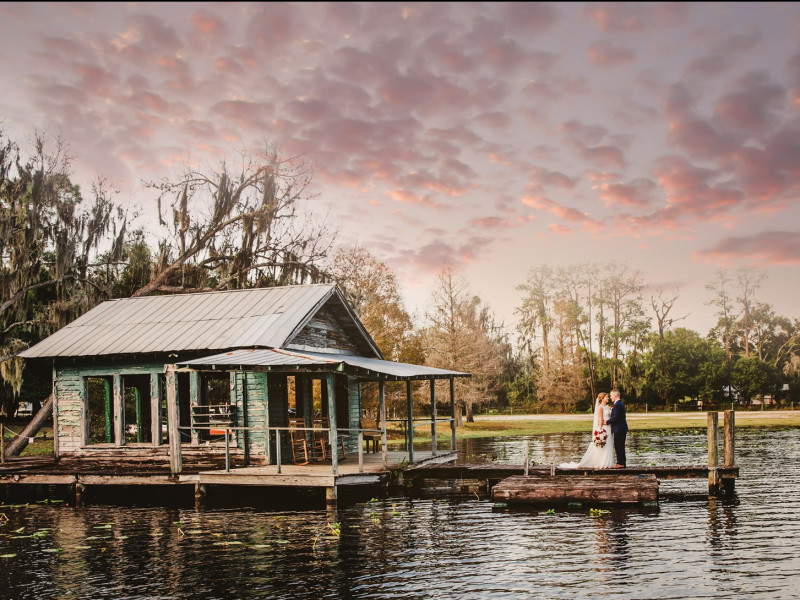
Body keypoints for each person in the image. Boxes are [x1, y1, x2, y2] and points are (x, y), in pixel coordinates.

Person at [559, 393, 615, 469]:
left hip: (609, 428)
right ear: (602, 399)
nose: (608, 398)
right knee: (603, 445)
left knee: (608, 444)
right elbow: (600, 420)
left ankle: (608, 462)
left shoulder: (607, 407)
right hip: (604, 428)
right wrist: (600, 431)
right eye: (606, 397)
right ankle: (602, 463)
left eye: (608, 397)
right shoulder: (600, 408)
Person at [605, 389, 628, 468]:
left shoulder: (618, 405)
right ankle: (622, 463)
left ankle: (620, 463)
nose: (610, 397)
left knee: (618, 445)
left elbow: (615, 417)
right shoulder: (619, 404)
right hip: (621, 428)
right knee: (620, 445)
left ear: (615, 396)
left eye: (611, 395)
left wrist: (606, 422)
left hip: (619, 428)